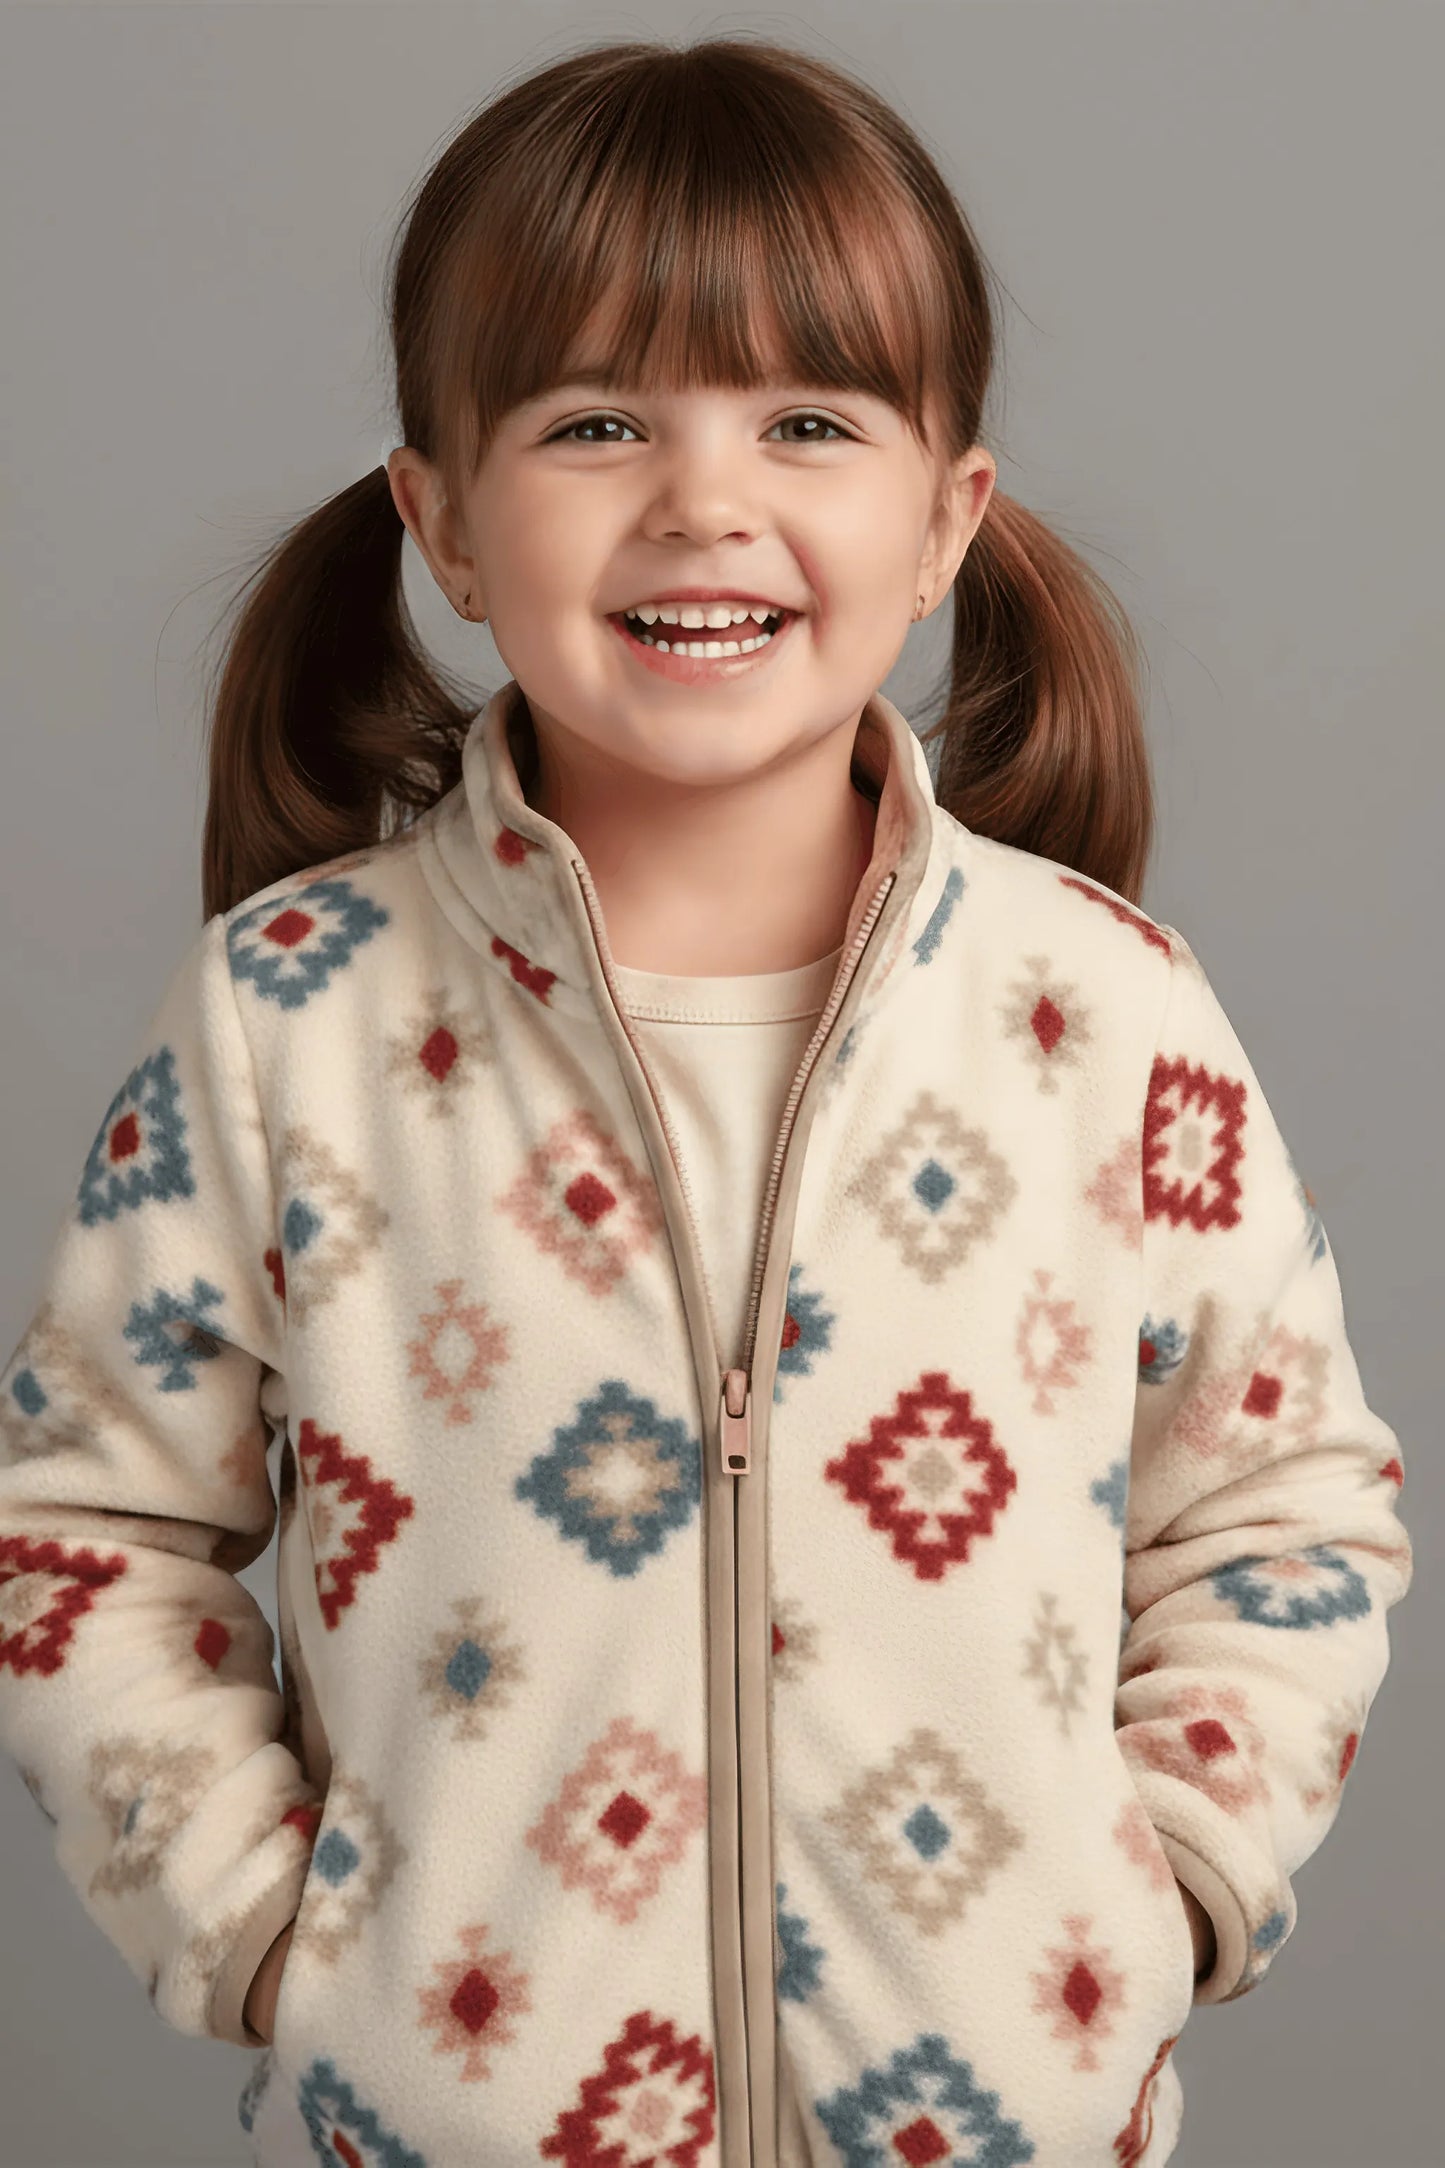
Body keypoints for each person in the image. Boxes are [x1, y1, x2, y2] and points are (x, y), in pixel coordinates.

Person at [0, 34, 1412, 2168]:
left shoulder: (1103, 1015)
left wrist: (1175, 1885)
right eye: (595, 422)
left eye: (810, 419)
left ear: (946, 521)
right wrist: (276, 1941)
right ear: (445, 521)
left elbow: (1282, 1505)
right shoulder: (292, 1020)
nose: (704, 499)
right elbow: (92, 1528)